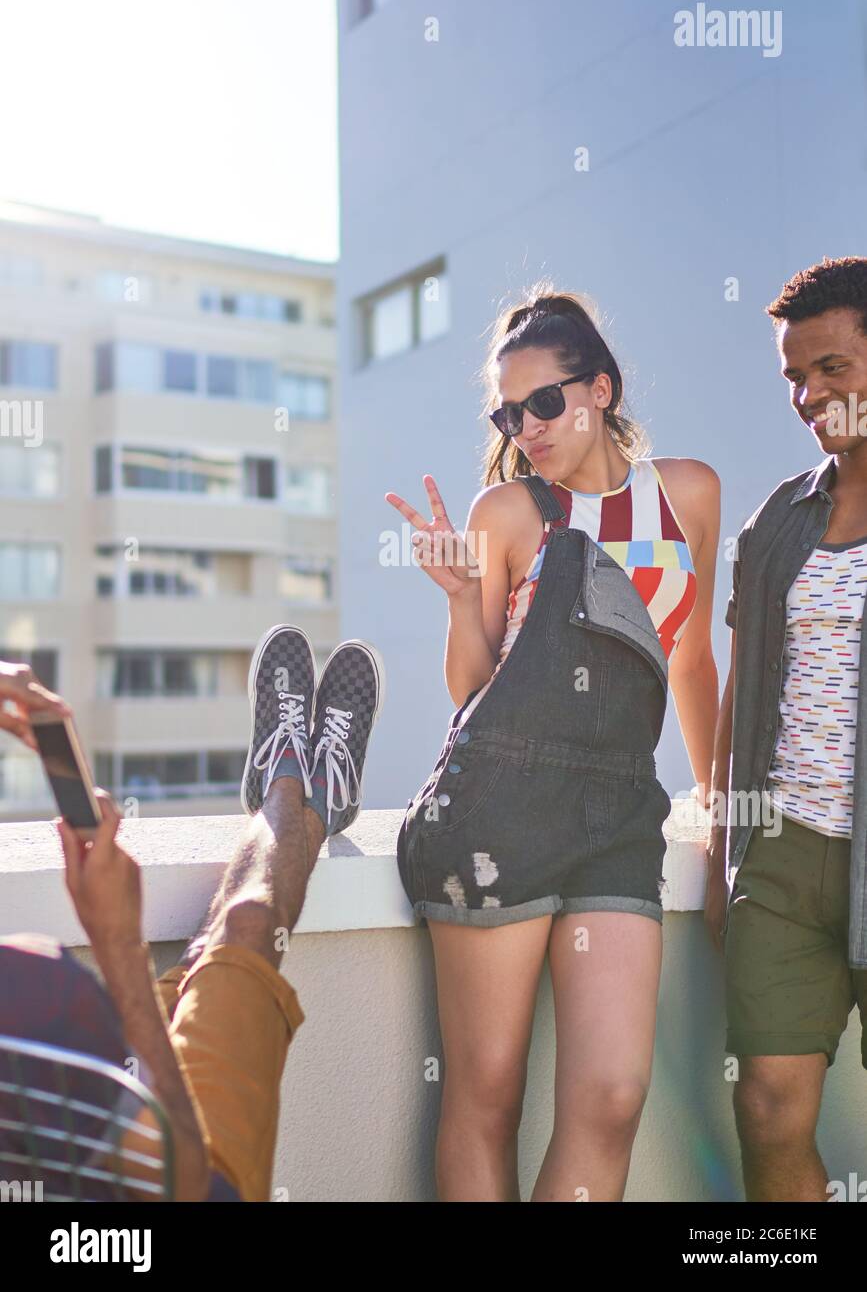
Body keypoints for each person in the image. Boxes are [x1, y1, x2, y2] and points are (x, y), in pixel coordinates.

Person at [386, 287, 721, 1202]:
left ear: (600, 389)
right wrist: (461, 603)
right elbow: (473, 692)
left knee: (611, 1095)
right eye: (507, 410)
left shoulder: (687, 494)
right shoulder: (507, 510)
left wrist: (723, 805)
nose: (523, 425)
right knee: (486, 1093)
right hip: (497, 804)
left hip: (621, 811)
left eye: (543, 402)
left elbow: (689, 660)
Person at [0, 628, 384, 1201]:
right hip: (173, 1171)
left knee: (226, 939)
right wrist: (120, 945)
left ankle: (297, 778)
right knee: (253, 921)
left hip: (113, 1096)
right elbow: (181, 1180)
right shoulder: (43, 1000)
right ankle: (299, 787)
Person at [705, 256, 867, 1202]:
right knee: (766, 1108)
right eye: (793, 378)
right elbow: (740, 689)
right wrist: (728, 846)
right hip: (780, 859)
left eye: (831, 370)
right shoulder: (777, 520)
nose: (808, 396)